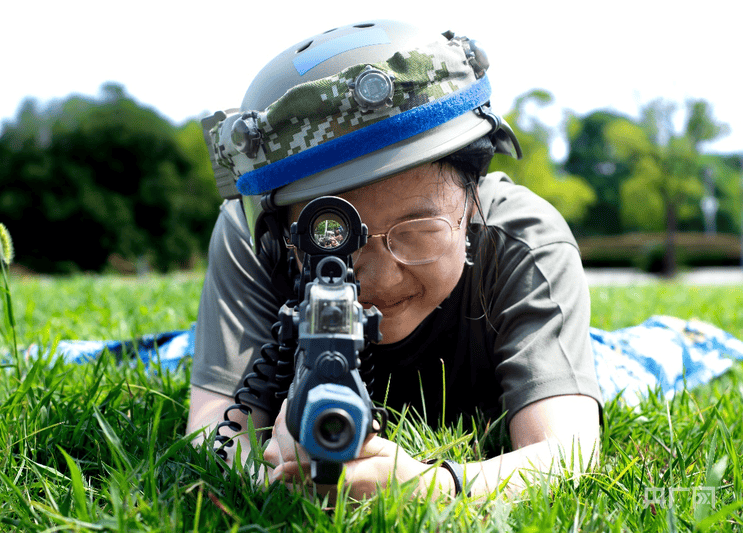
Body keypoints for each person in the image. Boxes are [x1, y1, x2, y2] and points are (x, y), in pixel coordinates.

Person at [187, 20, 602, 501]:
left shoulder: (522, 239)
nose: (381, 280)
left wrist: (432, 487)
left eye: (420, 231)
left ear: (471, 200)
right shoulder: (251, 236)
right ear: (280, 232)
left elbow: (570, 451)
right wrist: (272, 477)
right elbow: (212, 428)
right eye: (333, 237)